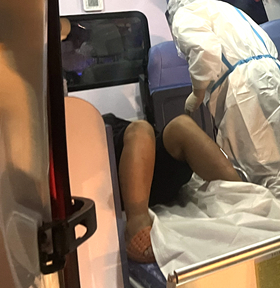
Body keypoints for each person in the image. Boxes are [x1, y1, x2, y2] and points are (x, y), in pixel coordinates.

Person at [166, 0, 280, 218]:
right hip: (275, 78)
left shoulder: (184, 14)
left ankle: (279, 231)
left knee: (260, 171)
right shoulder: (223, 8)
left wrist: (198, 91)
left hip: (245, 88)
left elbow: (203, 50)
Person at [103, 113, 242, 264]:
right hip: (121, 180)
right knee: (140, 129)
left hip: (149, 162)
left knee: (181, 125)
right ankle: (136, 224)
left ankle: (242, 193)